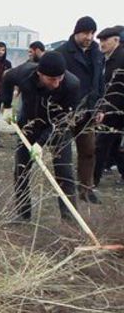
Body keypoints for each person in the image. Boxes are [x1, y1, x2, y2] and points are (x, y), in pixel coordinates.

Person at [1, 51, 80, 222]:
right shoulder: (24, 73)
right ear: (40, 74)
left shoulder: (71, 85)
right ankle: (23, 214)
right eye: (52, 79)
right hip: (29, 125)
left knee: (64, 171)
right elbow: (7, 79)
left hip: (58, 129)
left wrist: (40, 143)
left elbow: (61, 121)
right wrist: (7, 105)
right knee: (21, 169)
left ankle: (70, 219)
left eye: (60, 78)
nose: (57, 83)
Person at [56, 16, 105, 204]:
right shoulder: (63, 53)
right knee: (64, 154)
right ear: (76, 32)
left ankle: (86, 188)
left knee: (89, 150)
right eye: (86, 33)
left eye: (92, 33)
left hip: (90, 111)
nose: (89, 37)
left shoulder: (96, 54)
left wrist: (100, 107)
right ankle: (65, 192)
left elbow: (99, 83)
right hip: (67, 111)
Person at [94, 26, 124, 186]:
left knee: (102, 144)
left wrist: (106, 109)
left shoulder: (121, 57)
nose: (102, 43)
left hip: (116, 110)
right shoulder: (105, 58)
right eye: (100, 40)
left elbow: (115, 89)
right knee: (110, 145)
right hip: (111, 109)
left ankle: (92, 181)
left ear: (116, 40)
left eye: (105, 40)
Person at [0, 41, 13, 116]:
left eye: (3, 50)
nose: (1, 52)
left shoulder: (8, 63)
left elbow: (10, 78)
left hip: (3, 89)